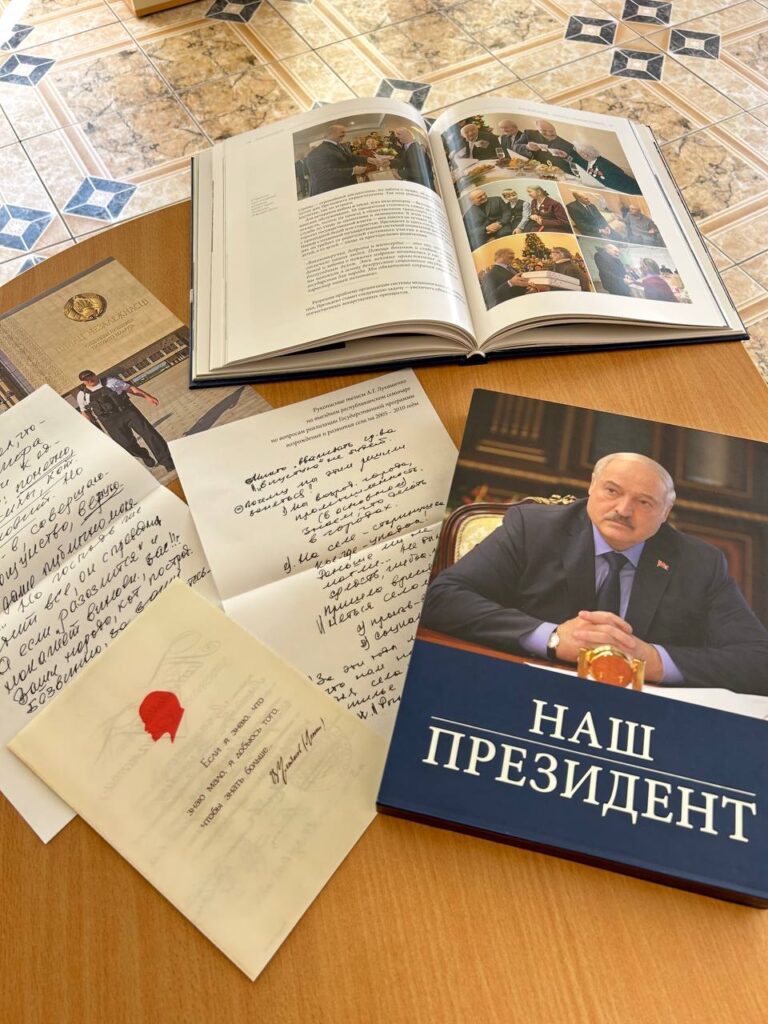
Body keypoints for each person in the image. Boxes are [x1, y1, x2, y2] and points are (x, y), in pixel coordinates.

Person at [421, 452, 768, 692]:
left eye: (644, 502)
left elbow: (758, 660)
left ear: (665, 512)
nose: (623, 509)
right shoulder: (534, 528)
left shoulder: (699, 563)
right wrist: (553, 638)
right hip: (524, 690)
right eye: (612, 491)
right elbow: (442, 599)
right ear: (591, 487)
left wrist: (654, 661)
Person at [77, 370, 174, 470]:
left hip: (127, 412)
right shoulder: (82, 395)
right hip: (109, 421)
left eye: (90, 376)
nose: (90, 380)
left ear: (95, 375)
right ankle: (143, 454)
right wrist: (90, 427)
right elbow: (84, 412)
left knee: (150, 434)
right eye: (86, 379)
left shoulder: (110, 381)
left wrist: (147, 396)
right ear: (83, 382)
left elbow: (130, 389)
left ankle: (167, 461)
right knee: (126, 445)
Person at [304, 124, 371, 196]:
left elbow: (350, 157)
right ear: (331, 133)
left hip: (346, 187)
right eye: (342, 132)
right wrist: (352, 171)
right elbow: (322, 174)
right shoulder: (316, 152)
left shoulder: (341, 146)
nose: (345, 135)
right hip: (331, 193)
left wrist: (369, 159)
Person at [574, 143, 642, 194]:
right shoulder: (591, 162)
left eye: (581, 153)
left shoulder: (602, 164)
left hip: (631, 190)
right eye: (580, 154)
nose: (583, 155)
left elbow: (615, 182)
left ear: (588, 153)